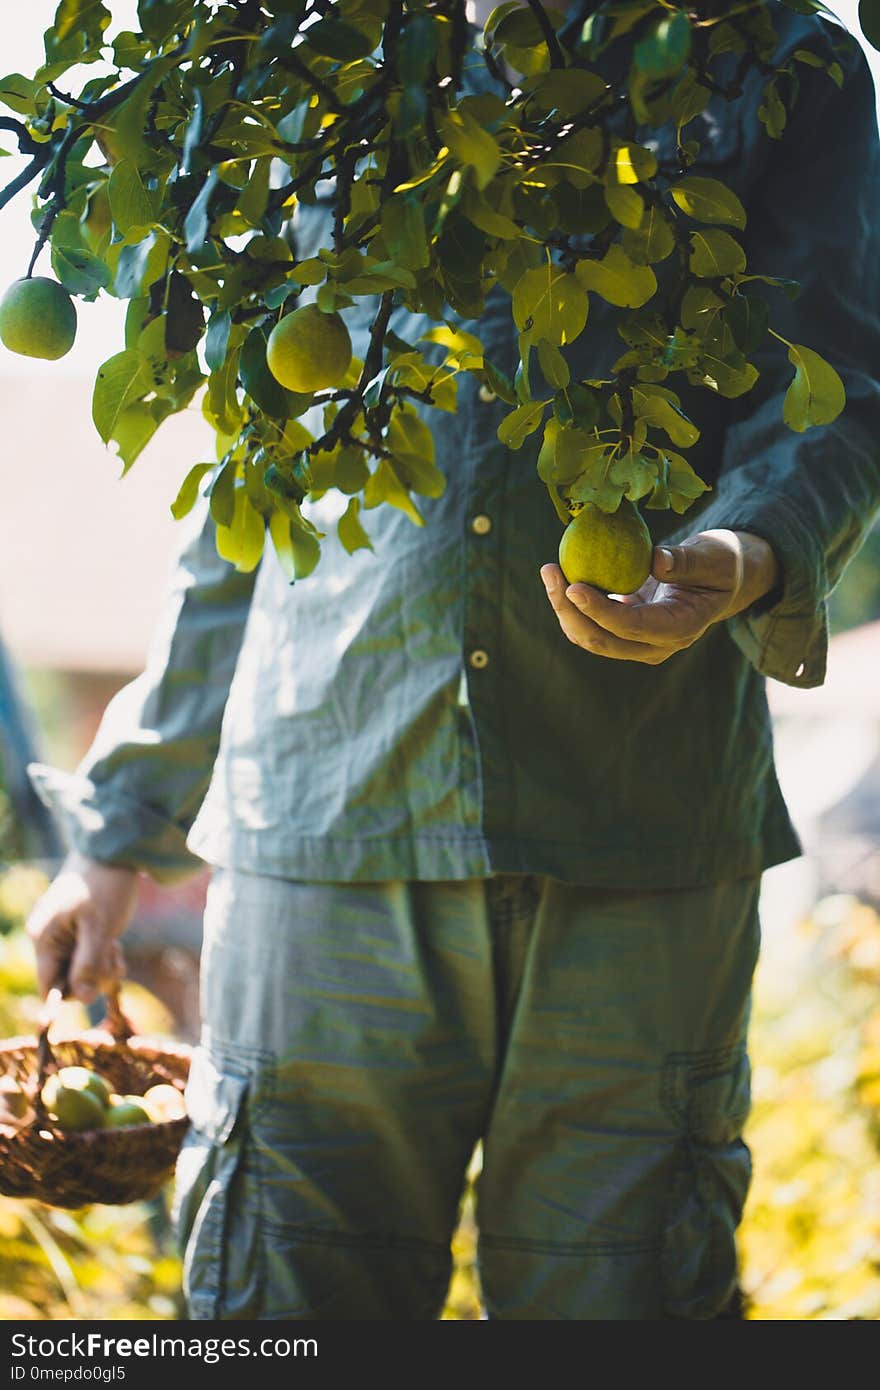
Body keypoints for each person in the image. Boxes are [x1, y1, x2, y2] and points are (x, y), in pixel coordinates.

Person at [25, 2, 880, 1320]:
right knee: (286, 1319)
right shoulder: (311, 66)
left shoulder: (768, 62)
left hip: (638, 823)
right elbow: (254, 503)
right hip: (327, 820)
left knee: (626, 1307)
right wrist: (120, 823)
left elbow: (834, 374)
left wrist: (744, 554)